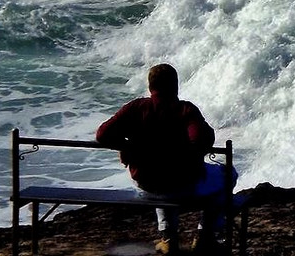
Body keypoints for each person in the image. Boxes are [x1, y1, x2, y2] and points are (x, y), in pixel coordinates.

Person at [96, 63, 235, 253]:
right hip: (182, 185)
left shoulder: (136, 108)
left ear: (150, 86)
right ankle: (205, 235)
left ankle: (168, 237)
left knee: (160, 181)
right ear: (176, 85)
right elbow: (200, 139)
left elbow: (102, 135)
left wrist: (127, 146)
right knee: (229, 175)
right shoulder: (185, 110)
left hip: (145, 185)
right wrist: (184, 157)